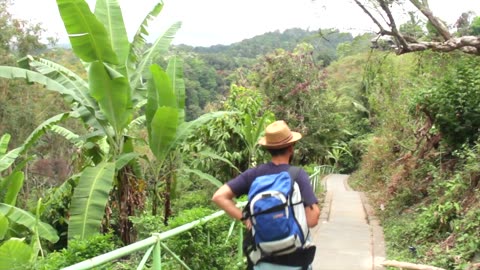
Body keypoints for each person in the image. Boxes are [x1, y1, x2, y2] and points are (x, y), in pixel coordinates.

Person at [212, 120, 320, 269]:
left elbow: (219, 197)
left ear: (268, 149)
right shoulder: (297, 175)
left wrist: (245, 219)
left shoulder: (254, 174)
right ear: (291, 148)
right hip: (295, 260)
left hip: (261, 258)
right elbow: (313, 219)